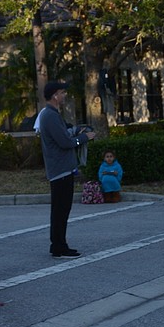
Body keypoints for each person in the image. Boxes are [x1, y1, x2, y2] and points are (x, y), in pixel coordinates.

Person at [35, 81, 96, 257]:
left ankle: (59, 244)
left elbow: (63, 135)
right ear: (54, 95)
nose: (64, 96)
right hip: (60, 170)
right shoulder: (50, 115)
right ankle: (58, 245)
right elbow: (65, 142)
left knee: (61, 210)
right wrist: (84, 137)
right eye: (62, 92)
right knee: (60, 210)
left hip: (61, 169)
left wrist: (75, 131)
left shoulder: (51, 114)